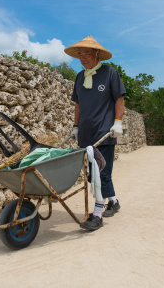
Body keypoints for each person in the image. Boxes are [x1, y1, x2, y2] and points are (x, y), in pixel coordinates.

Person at [64, 35, 126, 230]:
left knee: (101, 173)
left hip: (104, 132)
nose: (83, 58)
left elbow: (119, 100)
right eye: (80, 55)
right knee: (94, 174)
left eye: (87, 54)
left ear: (97, 54)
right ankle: (113, 201)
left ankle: (97, 215)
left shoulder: (110, 73)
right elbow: (78, 104)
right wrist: (75, 127)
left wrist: (118, 122)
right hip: (86, 134)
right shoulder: (80, 77)